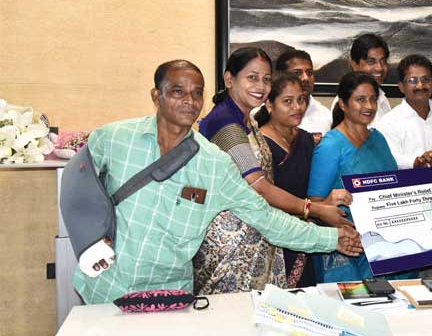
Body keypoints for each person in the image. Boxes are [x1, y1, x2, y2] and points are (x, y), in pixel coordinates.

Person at [73, 59, 361, 304]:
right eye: (177, 91)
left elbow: (266, 218)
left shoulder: (214, 163)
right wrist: (88, 237)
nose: (189, 101)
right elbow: (77, 185)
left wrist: (330, 238)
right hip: (106, 286)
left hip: (168, 295)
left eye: (197, 93)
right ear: (156, 95)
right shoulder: (114, 138)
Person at [195, 48, 350, 293]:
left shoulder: (246, 119)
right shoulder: (225, 122)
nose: (261, 86)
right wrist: (315, 209)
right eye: (252, 77)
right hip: (232, 248)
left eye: (266, 79)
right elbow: (259, 187)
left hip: (260, 236)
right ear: (229, 79)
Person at [309, 72, 414, 282]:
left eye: (373, 99)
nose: (369, 106)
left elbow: (393, 185)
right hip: (349, 249)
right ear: (343, 104)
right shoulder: (330, 146)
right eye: (360, 99)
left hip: (390, 242)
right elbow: (314, 205)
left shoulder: (378, 138)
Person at [250, 73, 353, 288]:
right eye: (287, 101)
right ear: (269, 104)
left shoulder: (306, 139)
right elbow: (263, 201)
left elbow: (309, 194)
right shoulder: (259, 145)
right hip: (274, 240)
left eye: (301, 99)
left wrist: (326, 204)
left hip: (307, 238)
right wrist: (317, 210)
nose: (297, 107)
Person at [375, 54, 432, 169]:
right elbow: (389, 158)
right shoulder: (387, 123)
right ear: (401, 87)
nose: (420, 86)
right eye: (412, 80)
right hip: (409, 180)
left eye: (425, 79)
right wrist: (416, 161)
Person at [330, 33, 392, 124]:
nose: (379, 68)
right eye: (371, 62)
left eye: (383, 61)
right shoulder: (347, 102)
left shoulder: (382, 99)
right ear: (355, 65)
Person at [275, 49, 332, 144]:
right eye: (297, 73)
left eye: (309, 73)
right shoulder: (261, 115)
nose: (305, 78)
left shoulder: (326, 115)